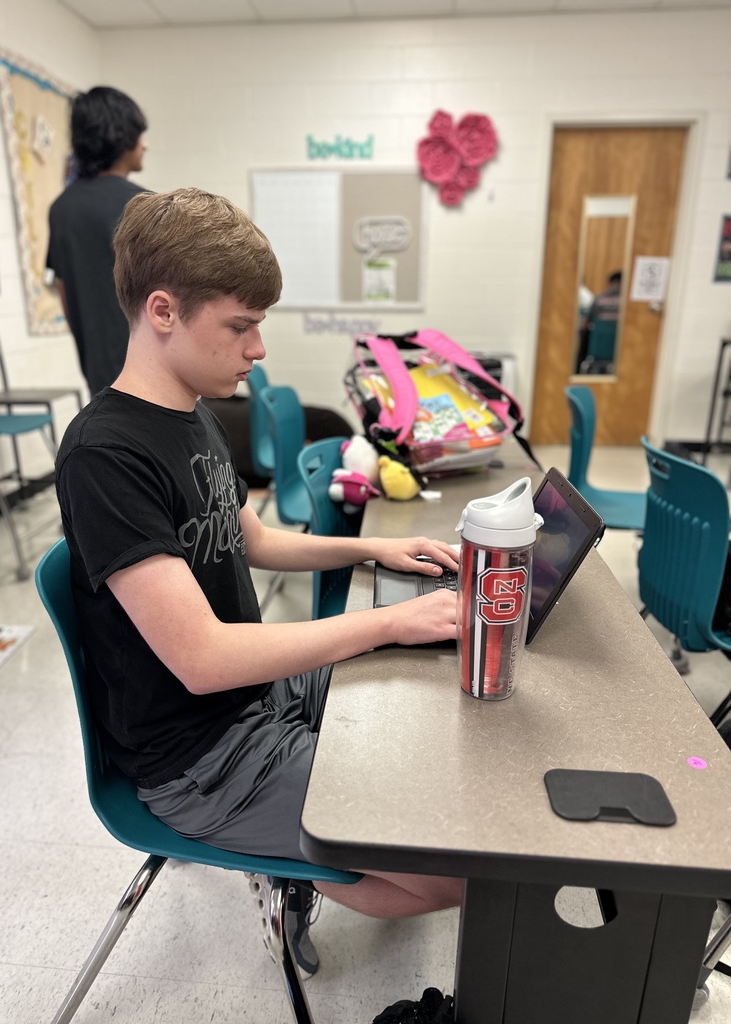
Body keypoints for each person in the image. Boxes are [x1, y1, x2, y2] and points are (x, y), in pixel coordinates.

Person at [54, 188, 463, 976]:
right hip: (199, 757)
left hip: (257, 697)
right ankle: (290, 865)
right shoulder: (105, 454)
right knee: (459, 873)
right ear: (164, 310)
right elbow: (202, 659)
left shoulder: (194, 410)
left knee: (417, 691)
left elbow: (257, 540)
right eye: (240, 326)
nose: (258, 348)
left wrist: (375, 554)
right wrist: (382, 622)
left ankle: (309, 841)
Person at [46, 86, 148, 396]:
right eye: (140, 135)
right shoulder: (143, 205)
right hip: (152, 375)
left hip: (99, 376)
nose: (145, 145)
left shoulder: (62, 208)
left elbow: (64, 290)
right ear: (121, 137)